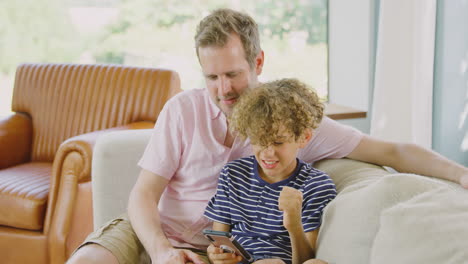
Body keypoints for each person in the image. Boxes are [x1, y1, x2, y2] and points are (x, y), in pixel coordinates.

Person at [68, 8, 468, 264]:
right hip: (152, 232)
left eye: (233, 74)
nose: (223, 89)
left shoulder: (285, 122)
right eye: (212, 77)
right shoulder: (181, 111)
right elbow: (143, 195)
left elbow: (393, 150)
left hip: (218, 249)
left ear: (257, 62)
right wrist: (159, 250)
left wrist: (462, 175)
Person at [204, 78, 335, 264]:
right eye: (259, 141)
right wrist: (216, 253)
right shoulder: (233, 175)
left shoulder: (316, 185)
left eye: (279, 142)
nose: (268, 153)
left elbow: (305, 259)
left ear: (303, 138)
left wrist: (294, 224)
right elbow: (218, 238)